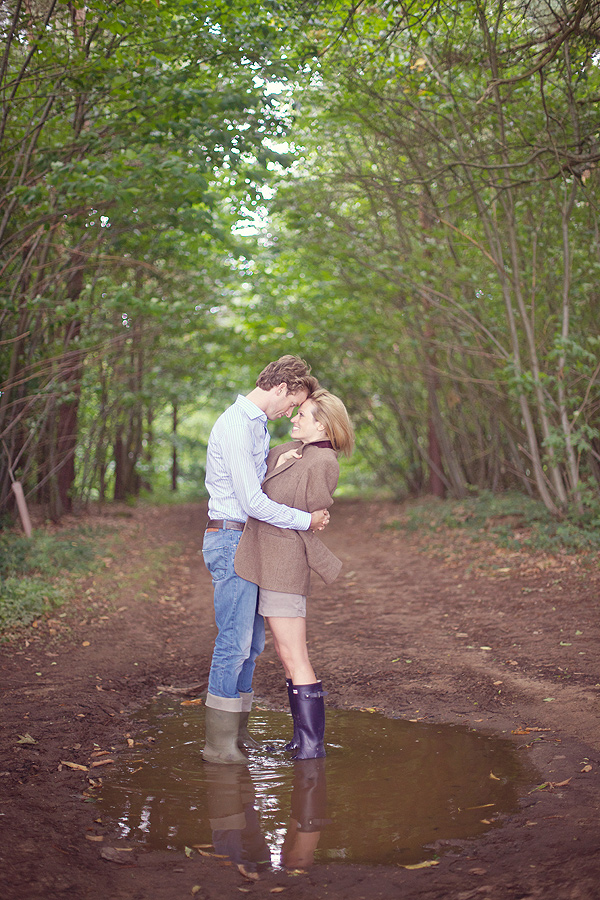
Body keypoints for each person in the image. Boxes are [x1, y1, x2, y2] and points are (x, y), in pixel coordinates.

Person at [201, 356, 330, 766]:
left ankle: (236, 739)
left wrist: (278, 461)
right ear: (281, 389)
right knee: (234, 643)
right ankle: (219, 746)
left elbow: (254, 482)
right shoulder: (239, 425)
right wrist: (305, 520)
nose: (291, 412)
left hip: (247, 540)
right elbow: (252, 502)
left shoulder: (256, 426)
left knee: (252, 645)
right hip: (232, 538)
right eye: (293, 404)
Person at [235, 388, 354, 760]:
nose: (294, 418)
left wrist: (313, 518)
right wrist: (280, 459)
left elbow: (311, 514)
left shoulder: (323, 462)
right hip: (266, 558)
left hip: (285, 564)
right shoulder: (298, 452)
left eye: (302, 414)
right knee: (288, 654)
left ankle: (311, 745)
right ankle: (301, 740)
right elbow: (263, 489)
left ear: (322, 424)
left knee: (293, 653)